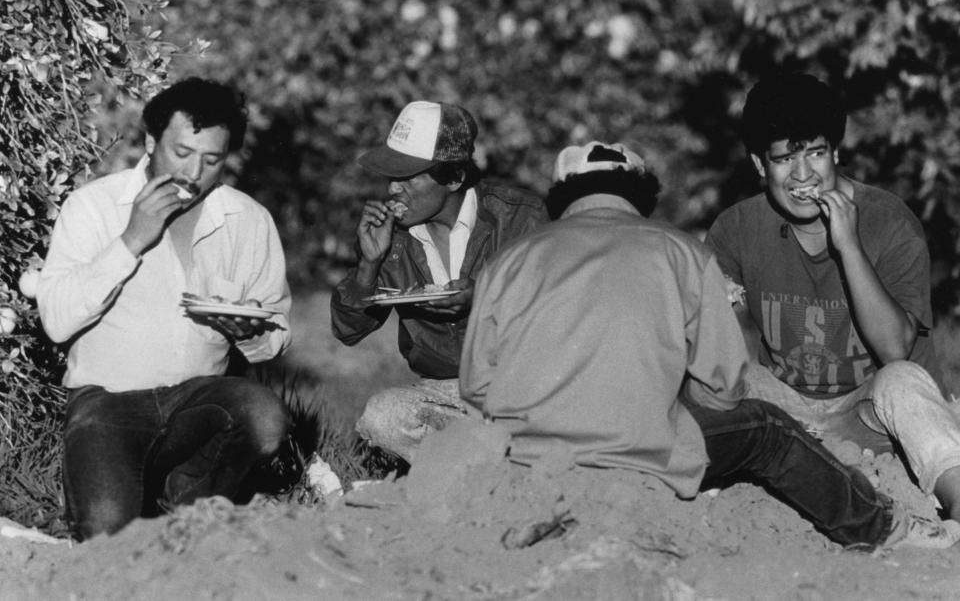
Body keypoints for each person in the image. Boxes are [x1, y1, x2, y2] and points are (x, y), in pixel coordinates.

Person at [460, 140, 960, 549]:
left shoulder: (510, 261)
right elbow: (723, 387)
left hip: (528, 453)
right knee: (767, 428)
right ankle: (885, 529)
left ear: (561, 198)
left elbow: (477, 385)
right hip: (637, 447)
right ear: (641, 196)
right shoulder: (676, 250)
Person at [37, 77, 293, 540]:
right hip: (107, 404)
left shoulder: (247, 220)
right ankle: (139, 506)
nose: (194, 173)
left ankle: (188, 504)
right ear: (152, 142)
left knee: (263, 415)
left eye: (211, 159)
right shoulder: (94, 207)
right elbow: (56, 321)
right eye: (181, 153)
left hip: (199, 402)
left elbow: (273, 336)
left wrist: (248, 331)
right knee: (106, 543)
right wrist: (132, 239)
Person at [704, 72, 960, 523]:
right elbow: (706, 339)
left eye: (816, 154)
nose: (803, 175)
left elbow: (894, 349)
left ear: (836, 153)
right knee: (729, 380)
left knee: (900, 379)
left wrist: (849, 246)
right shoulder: (736, 227)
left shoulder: (889, 223)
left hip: (874, 416)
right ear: (761, 166)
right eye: (785, 160)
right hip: (788, 418)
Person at [331, 100, 548, 463]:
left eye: (408, 177)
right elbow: (347, 331)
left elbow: (560, 309)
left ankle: (470, 465)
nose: (393, 191)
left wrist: (485, 298)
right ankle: (488, 465)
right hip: (446, 395)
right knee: (382, 417)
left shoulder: (520, 218)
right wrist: (369, 263)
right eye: (391, 177)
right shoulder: (392, 238)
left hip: (522, 386)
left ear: (454, 177)